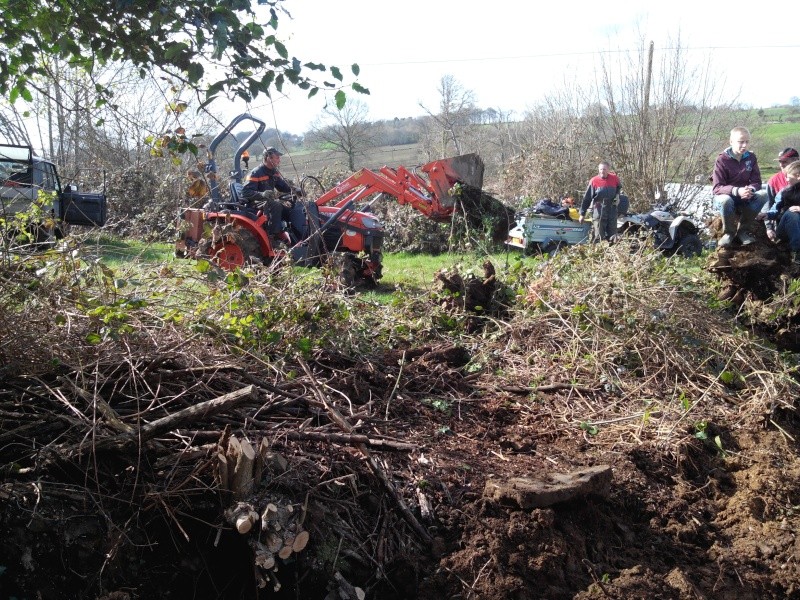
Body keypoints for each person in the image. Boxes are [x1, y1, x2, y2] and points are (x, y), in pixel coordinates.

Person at [712, 126, 767, 247]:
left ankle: (743, 231)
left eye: (747, 142)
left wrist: (751, 190)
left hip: (745, 196)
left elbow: (757, 181)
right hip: (725, 197)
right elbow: (717, 187)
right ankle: (729, 233)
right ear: (731, 142)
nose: (744, 145)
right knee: (726, 200)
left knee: (763, 195)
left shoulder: (751, 158)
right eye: (741, 142)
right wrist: (737, 191)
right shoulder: (722, 159)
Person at [241, 147, 294, 237]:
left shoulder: (273, 172)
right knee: (276, 205)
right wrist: (262, 194)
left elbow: (282, 187)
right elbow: (245, 192)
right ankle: (274, 236)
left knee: (289, 209)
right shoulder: (256, 173)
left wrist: (295, 190)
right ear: (268, 158)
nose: (279, 160)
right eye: (277, 157)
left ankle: (292, 233)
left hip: (268, 202)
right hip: (255, 203)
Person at [765, 160, 800, 262]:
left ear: (798, 176)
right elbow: (775, 209)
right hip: (785, 228)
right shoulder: (785, 191)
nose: (786, 179)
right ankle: (797, 251)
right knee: (792, 214)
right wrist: (766, 215)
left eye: (788, 177)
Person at [579, 162, 621, 242]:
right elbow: (587, 199)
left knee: (613, 237)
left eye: (604, 169)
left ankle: (612, 252)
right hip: (599, 211)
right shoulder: (594, 181)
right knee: (598, 237)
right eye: (601, 169)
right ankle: (598, 251)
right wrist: (582, 214)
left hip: (612, 211)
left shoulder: (615, 178)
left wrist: (617, 197)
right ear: (598, 170)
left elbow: (618, 188)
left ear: (608, 170)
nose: (602, 171)